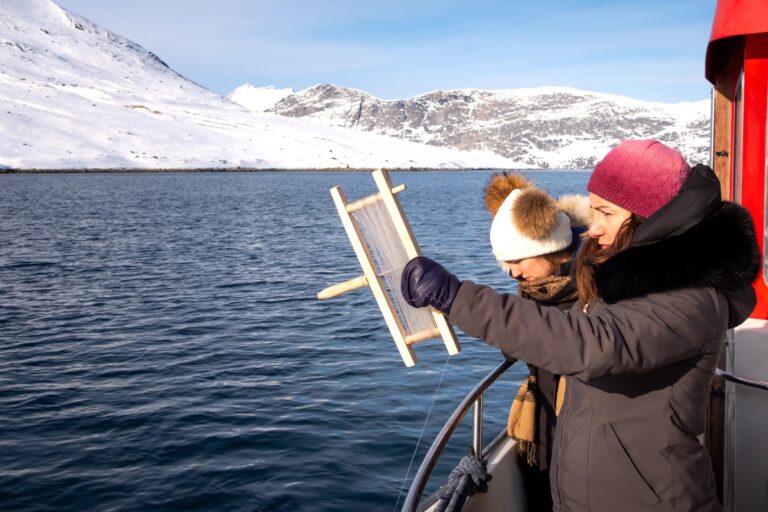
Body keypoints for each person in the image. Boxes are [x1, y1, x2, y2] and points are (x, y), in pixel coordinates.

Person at [402, 140, 760, 512]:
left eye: (605, 213)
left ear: (647, 214)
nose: (593, 229)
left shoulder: (691, 296)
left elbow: (589, 343)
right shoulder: (637, 279)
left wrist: (460, 298)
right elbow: (574, 324)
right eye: (593, 212)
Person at [484, 172, 591, 512]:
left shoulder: (591, 286)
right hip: (544, 429)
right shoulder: (538, 286)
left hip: (580, 434)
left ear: (547, 249)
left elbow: (565, 343)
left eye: (517, 261)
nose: (513, 273)